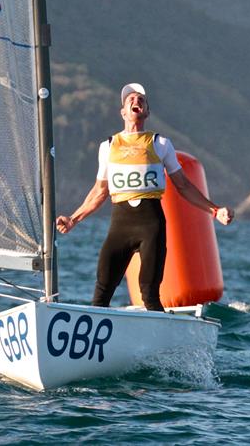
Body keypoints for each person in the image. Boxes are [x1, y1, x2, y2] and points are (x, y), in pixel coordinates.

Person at [56, 83, 234, 312]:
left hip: (151, 226)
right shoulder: (108, 146)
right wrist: (73, 219)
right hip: (120, 227)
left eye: (140, 99)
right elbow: (99, 192)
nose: (135, 101)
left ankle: (164, 340)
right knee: (101, 293)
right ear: (122, 112)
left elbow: (184, 186)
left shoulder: (160, 144)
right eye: (130, 99)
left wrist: (215, 210)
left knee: (149, 294)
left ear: (146, 112)